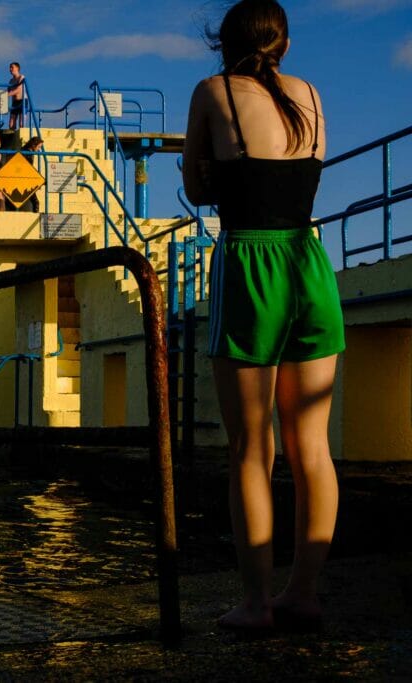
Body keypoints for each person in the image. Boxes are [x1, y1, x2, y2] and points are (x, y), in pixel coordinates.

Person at [182, 0, 343, 633]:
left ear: (223, 43)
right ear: (284, 42)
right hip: (310, 262)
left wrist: (202, 171)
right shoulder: (309, 94)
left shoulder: (212, 90)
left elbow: (200, 189)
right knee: (312, 448)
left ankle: (254, 603)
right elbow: (302, 178)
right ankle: (303, 594)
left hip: (250, 262)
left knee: (251, 448)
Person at [6, 62, 26, 130]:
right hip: (14, 103)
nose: (10, 69)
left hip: (22, 101)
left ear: (17, 68)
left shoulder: (21, 77)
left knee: (21, 123)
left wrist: (6, 95)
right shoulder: (11, 81)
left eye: (12, 67)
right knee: (11, 124)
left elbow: (18, 90)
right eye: (10, 67)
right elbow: (7, 91)